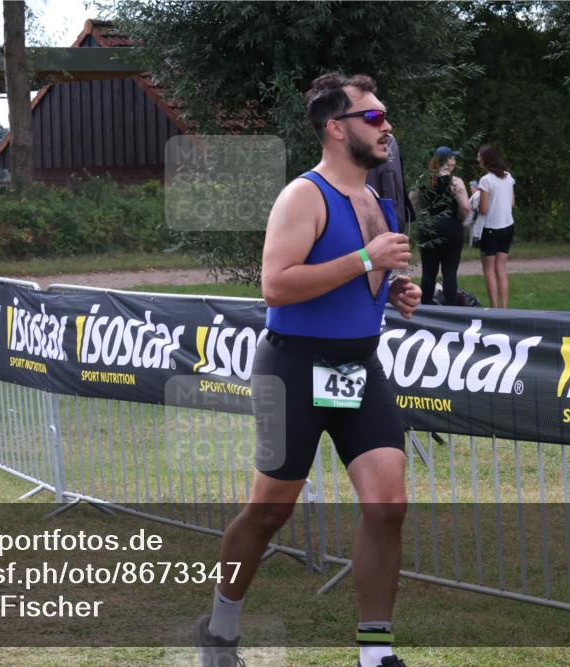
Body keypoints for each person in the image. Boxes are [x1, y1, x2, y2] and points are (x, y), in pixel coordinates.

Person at [194, 73, 420, 667]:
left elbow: (363, 275)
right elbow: (277, 284)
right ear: (336, 127)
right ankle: (220, 629)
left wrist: (392, 289)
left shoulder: (379, 199)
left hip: (358, 365)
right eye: (373, 118)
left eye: (385, 115)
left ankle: (376, 654)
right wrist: (366, 258)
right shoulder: (304, 196)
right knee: (271, 511)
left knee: (387, 504)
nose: (386, 125)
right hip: (293, 367)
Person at [417, 146, 469, 306]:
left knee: (428, 272)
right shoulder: (455, 181)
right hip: (451, 227)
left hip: (428, 228)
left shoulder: (423, 179)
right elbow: (466, 207)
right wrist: (462, 218)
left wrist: (422, 217)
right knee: (449, 272)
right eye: (454, 158)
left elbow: (412, 201)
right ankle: (450, 309)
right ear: (448, 160)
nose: (455, 161)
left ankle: (425, 306)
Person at [475, 144, 515, 308]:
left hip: (491, 228)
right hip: (508, 226)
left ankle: (494, 308)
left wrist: (475, 199)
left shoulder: (485, 180)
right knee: (501, 269)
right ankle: (504, 308)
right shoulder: (508, 176)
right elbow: (512, 203)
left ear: (485, 160)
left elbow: (483, 209)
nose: (477, 159)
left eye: (478, 156)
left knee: (489, 269)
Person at [467, 179, 482, 248]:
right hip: (477, 215)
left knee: (475, 230)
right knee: (476, 229)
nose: (471, 189)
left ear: (475, 187)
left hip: (475, 215)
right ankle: (472, 244)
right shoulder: (478, 194)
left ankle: (473, 244)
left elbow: (474, 206)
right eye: (470, 188)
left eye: (472, 188)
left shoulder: (476, 194)